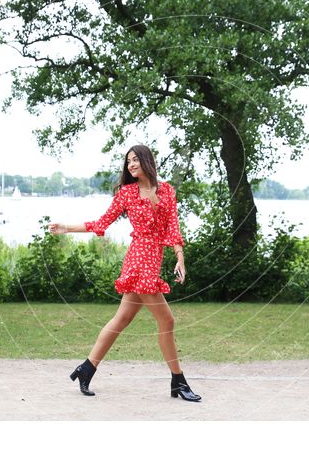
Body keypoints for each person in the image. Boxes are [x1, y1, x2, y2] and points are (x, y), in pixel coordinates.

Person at [48, 145, 202, 402]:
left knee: (122, 319)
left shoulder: (167, 191)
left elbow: (172, 227)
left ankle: (86, 369)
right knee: (167, 321)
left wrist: (180, 257)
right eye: (128, 161)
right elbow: (102, 223)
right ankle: (178, 381)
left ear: (146, 161)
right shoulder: (127, 193)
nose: (130, 165)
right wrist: (67, 227)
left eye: (135, 160)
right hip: (138, 260)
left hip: (153, 258)